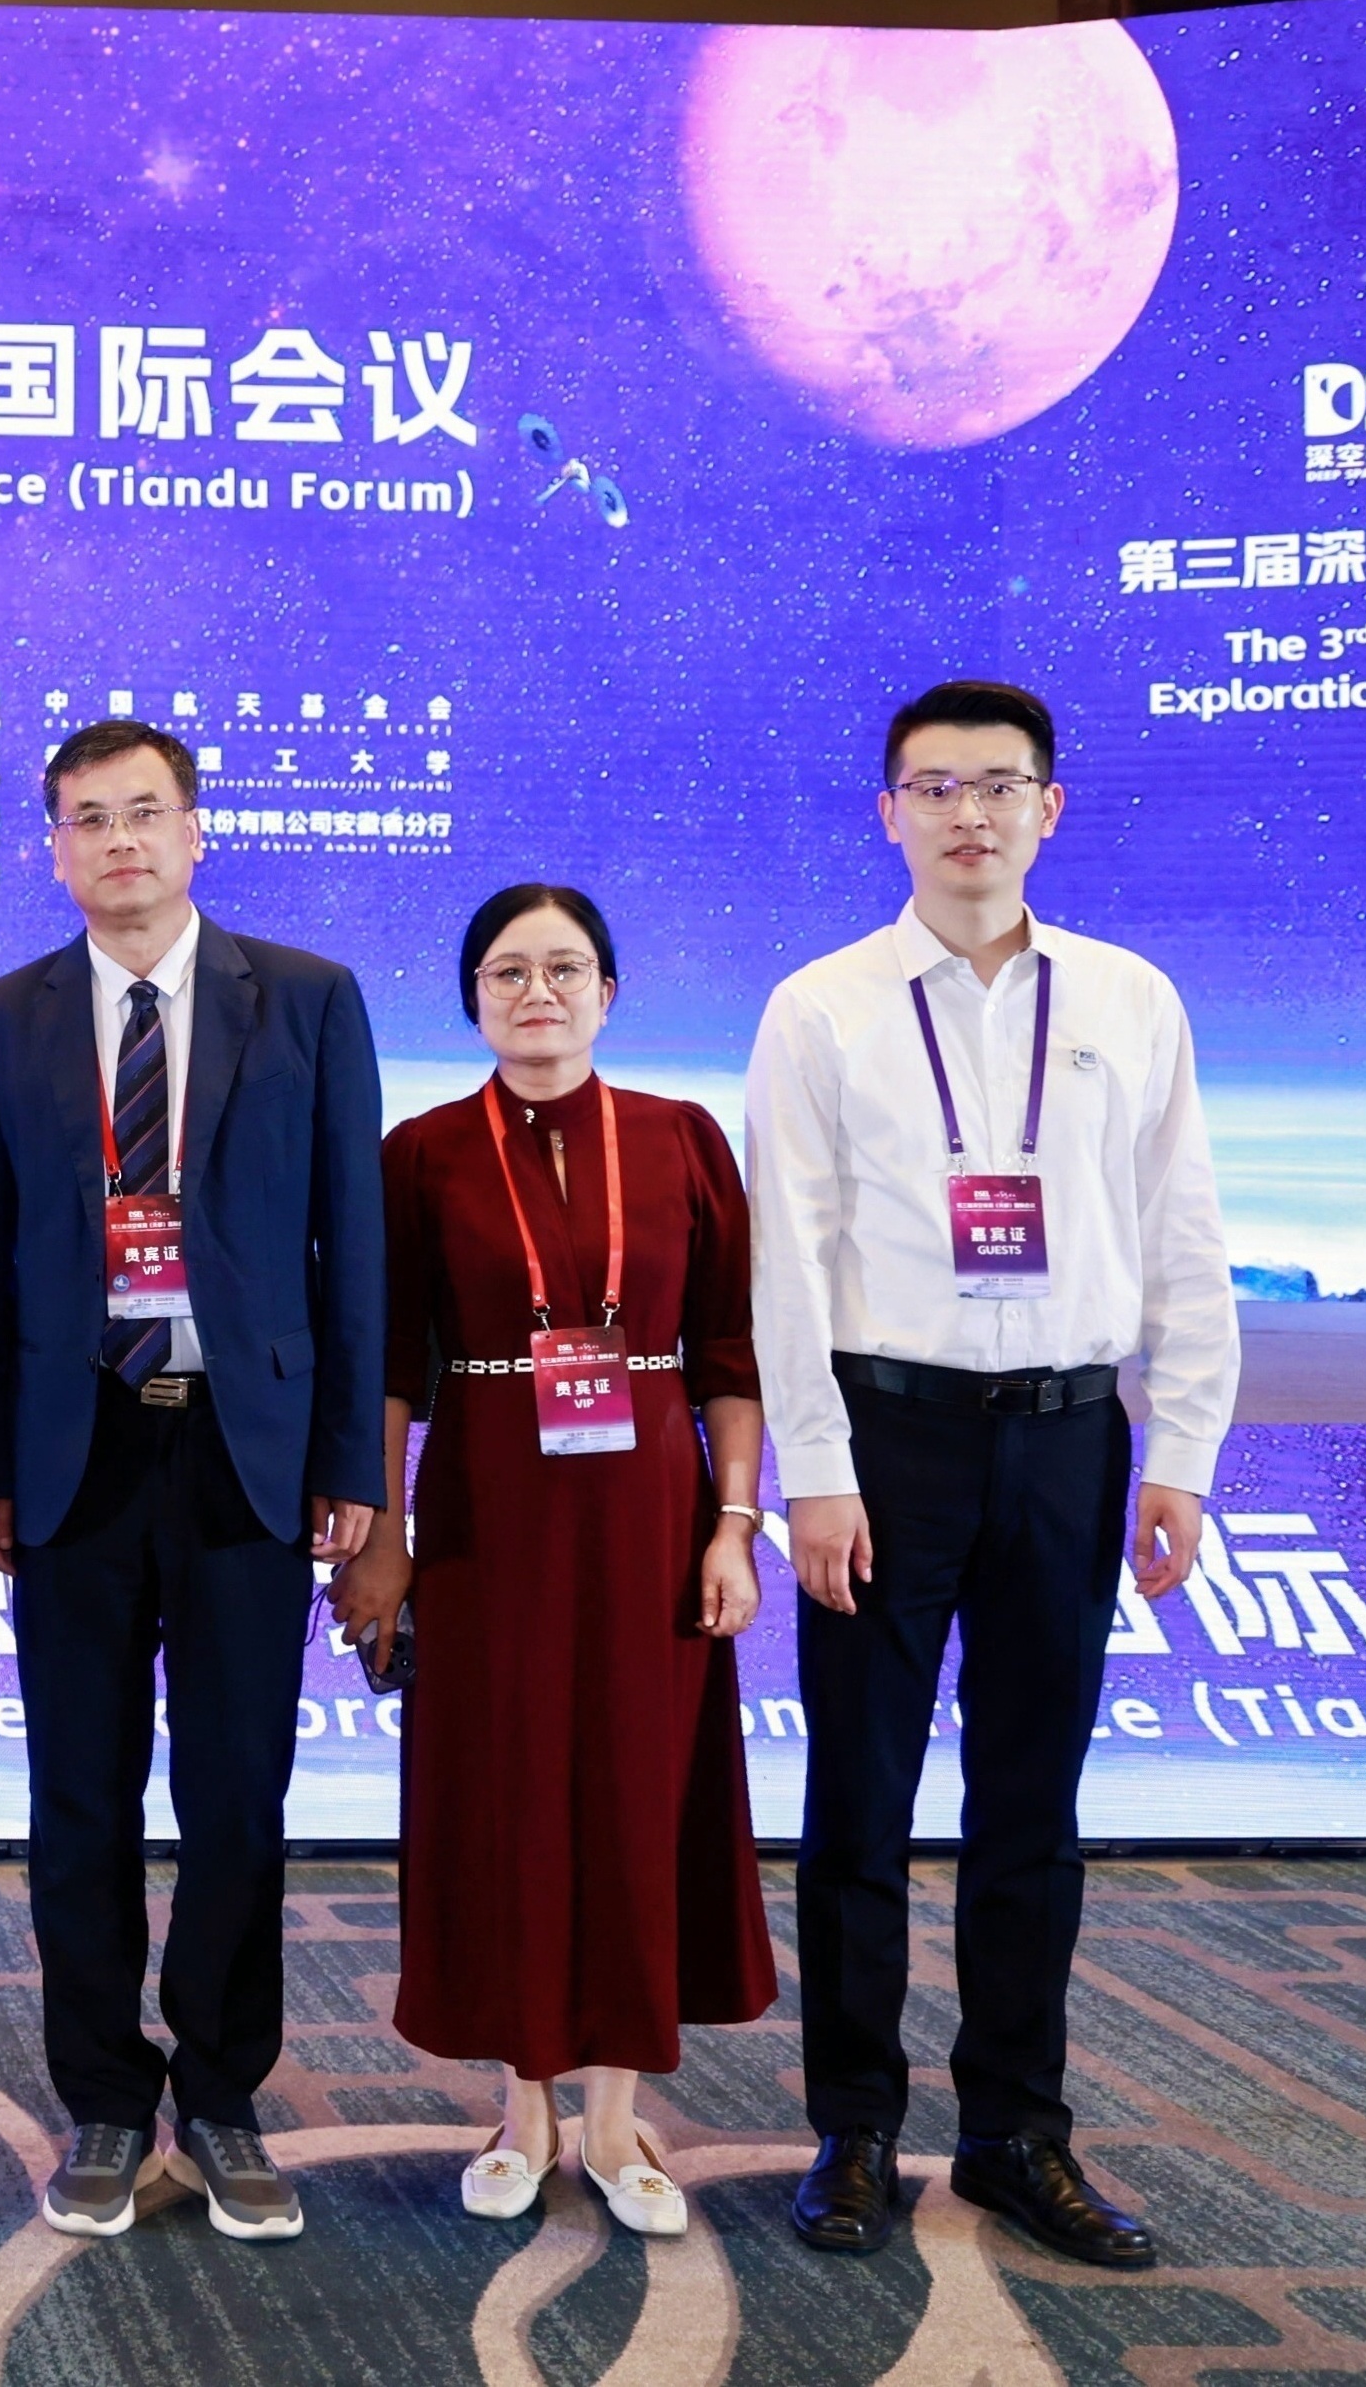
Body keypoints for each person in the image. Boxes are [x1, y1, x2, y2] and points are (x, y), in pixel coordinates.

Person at [747, 679, 1232, 2271]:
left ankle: (1017, 2133)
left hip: (1067, 1440)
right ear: (886, 811)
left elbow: (1180, 1233)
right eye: (935, 786)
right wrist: (813, 1471)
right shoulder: (819, 1005)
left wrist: (1181, 1453)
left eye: (998, 784)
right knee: (857, 1803)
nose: (968, 813)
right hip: (885, 1441)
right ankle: (853, 2127)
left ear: (1047, 808)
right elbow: (785, 1260)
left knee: (1033, 1804)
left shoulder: (1128, 999)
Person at [0, 717, 383, 2246]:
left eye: (143, 812)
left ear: (194, 832)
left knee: (236, 1797)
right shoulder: (0, 1017)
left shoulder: (306, 998)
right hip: (73, 1445)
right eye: (87, 818)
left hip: (240, 1448)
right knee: (77, 1797)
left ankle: (220, 2093)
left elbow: (350, 1241)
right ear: (53, 848)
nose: (118, 840)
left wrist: (351, 1459)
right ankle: (100, 2097)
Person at [327, 884, 776, 2238]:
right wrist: (384, 1533)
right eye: (508, 972)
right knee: (506, 1798)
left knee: (636, 1796)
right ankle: (522, 2111)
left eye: (565, 969)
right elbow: (388, 1365)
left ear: (607, 992)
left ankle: (617, 2119)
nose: (538, 992)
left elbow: (728, 1354)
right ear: (472, 998)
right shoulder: (420, 1154)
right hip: (487, 1509)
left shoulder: (682, 1137)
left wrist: (734, 1523)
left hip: (650, 1512)